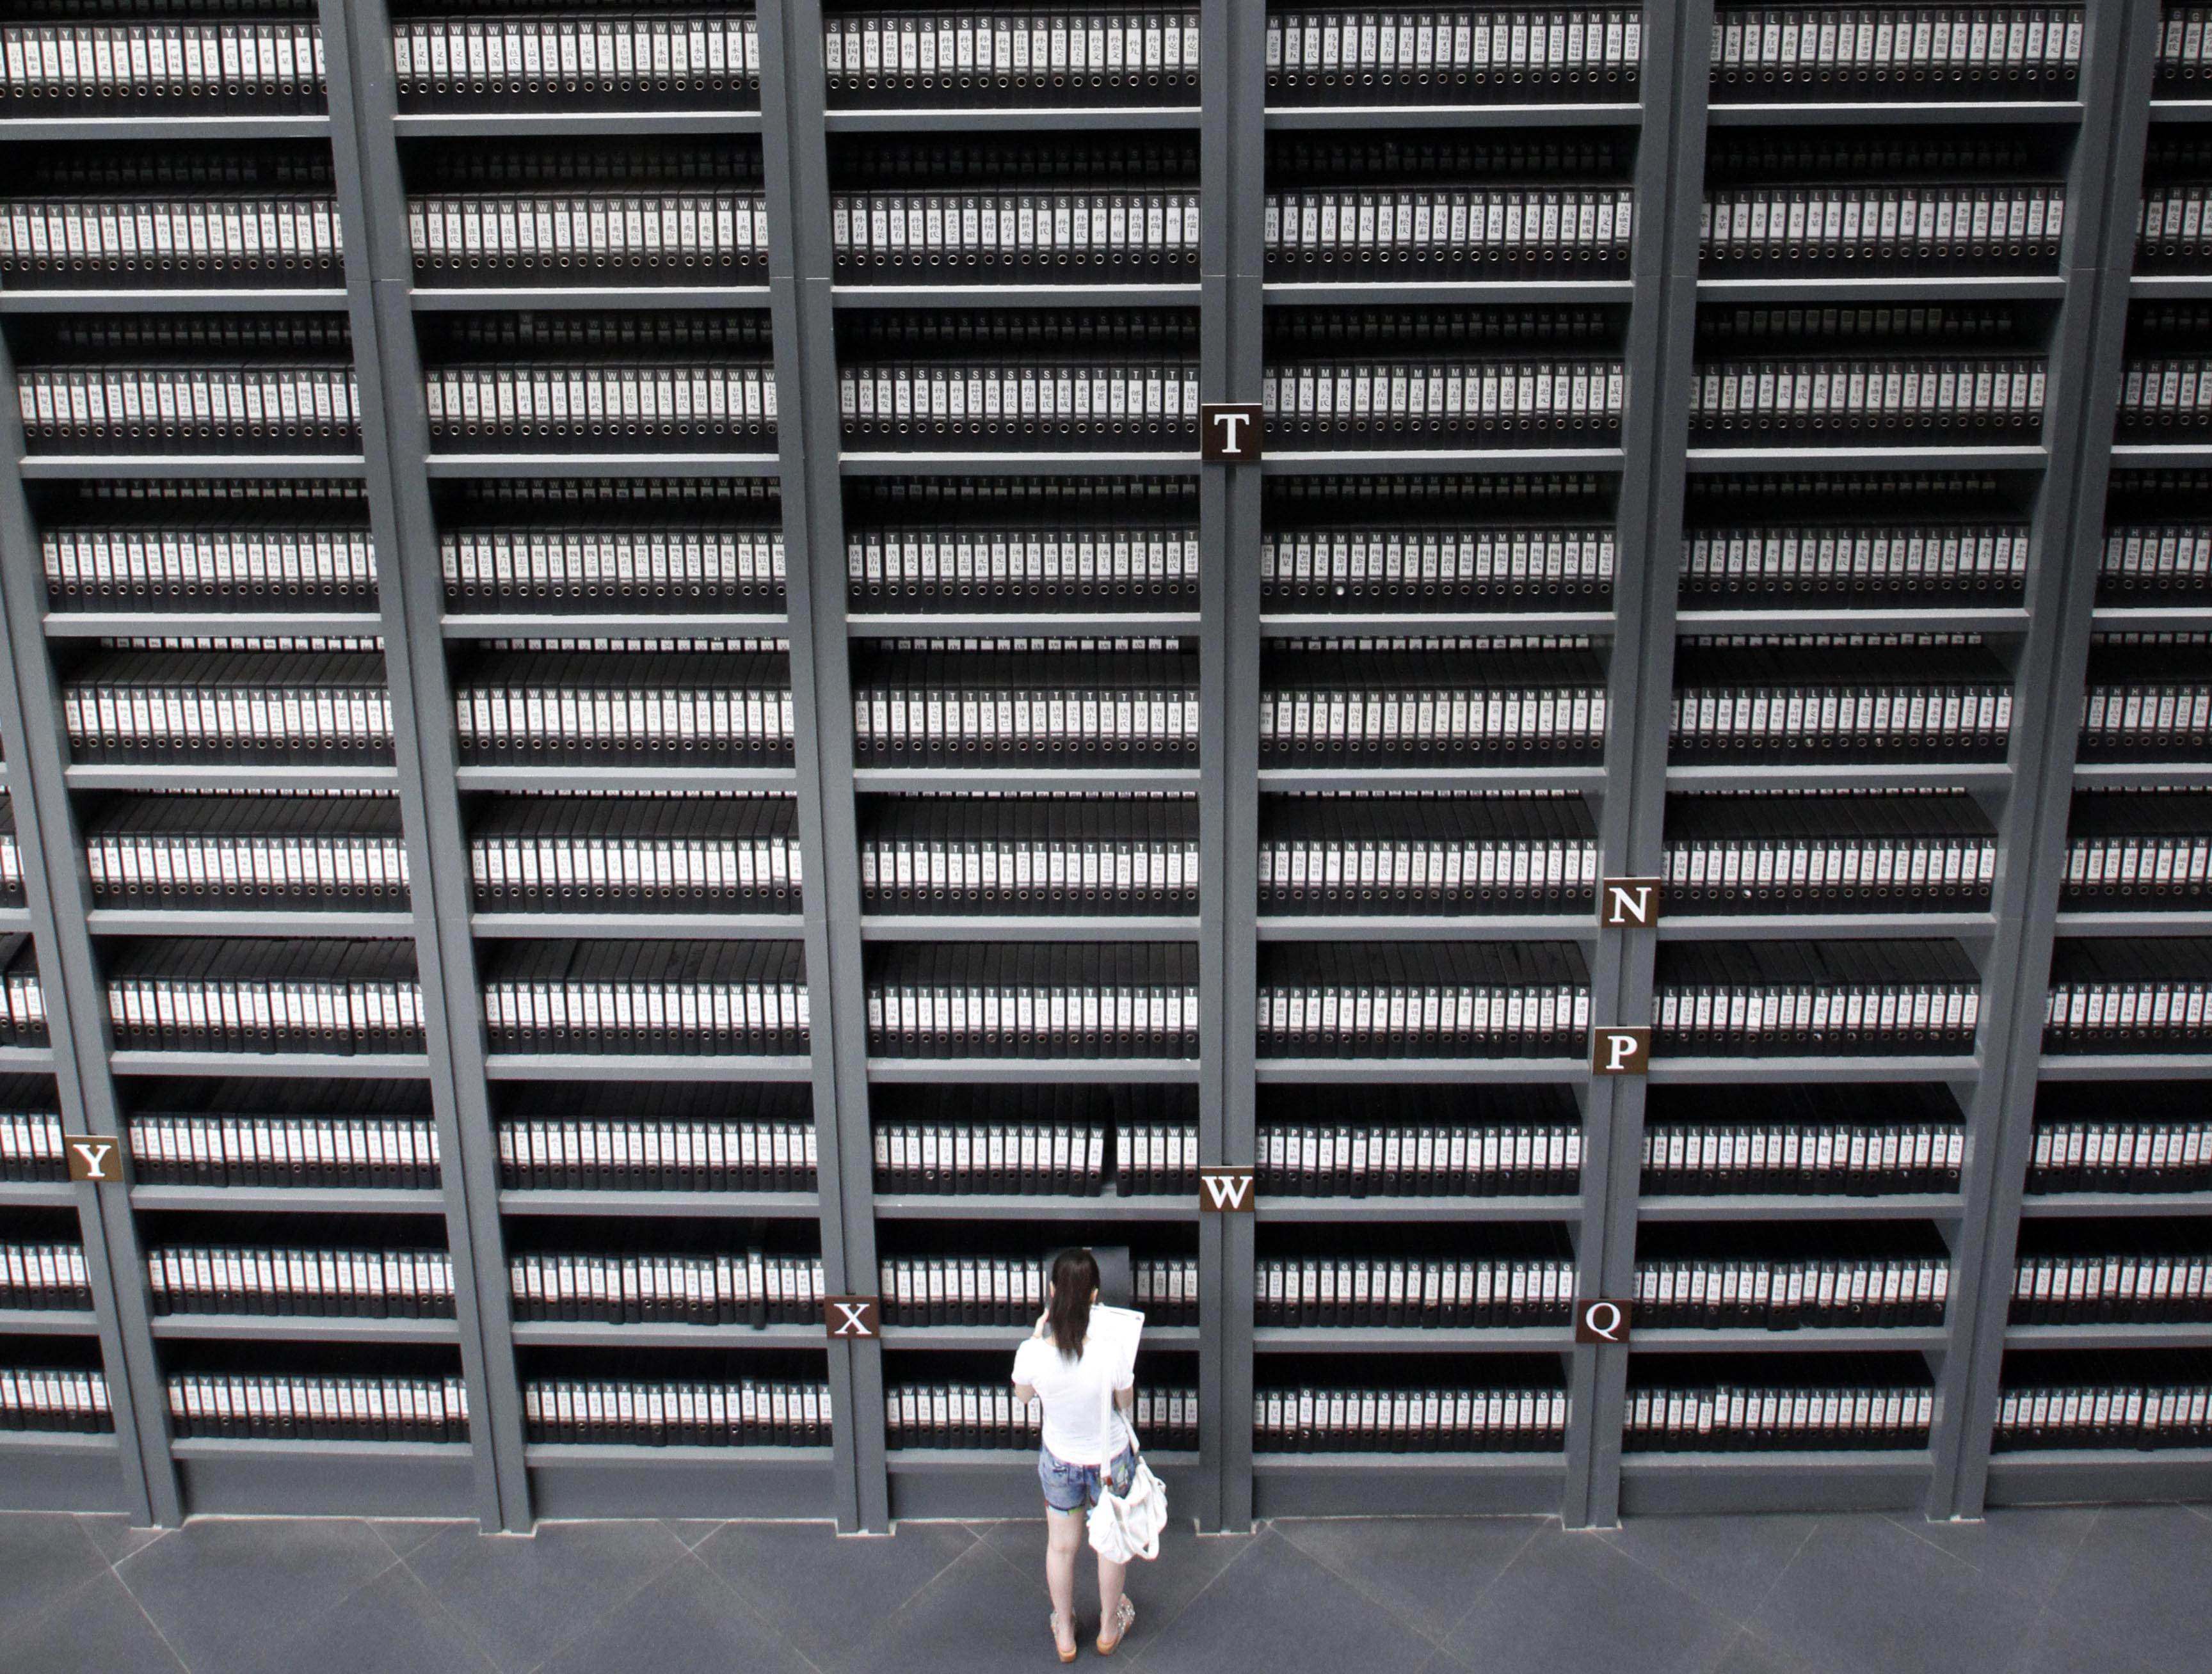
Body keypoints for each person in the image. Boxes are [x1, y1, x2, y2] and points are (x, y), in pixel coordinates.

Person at [1012, 1247, 1139, 1662]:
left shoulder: (1033, 1353)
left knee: (1061, 1547)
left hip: (1060, 1461)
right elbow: (1125, 1404)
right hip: (1110, 1461)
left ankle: (1065, 1633)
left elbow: (1024, 1396)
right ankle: (1107, 1628)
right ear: (1094, 1297)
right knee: (1109, 1545)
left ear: (1051, 1293)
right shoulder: (1111, 1350)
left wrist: (1035, 1337)